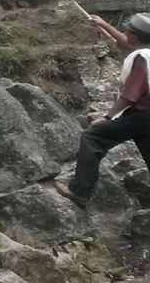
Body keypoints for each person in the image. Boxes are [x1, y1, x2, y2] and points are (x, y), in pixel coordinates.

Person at [53, 12, 150, 204]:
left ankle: (79, 191)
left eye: (127, 31)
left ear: (136, 36)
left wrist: (107, 117)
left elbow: (130, 96)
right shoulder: (147, 52)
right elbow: (127, 43)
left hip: (141, 115)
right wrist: (104, 25)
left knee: (92, 138)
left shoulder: (141, 59)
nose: (125, 33)